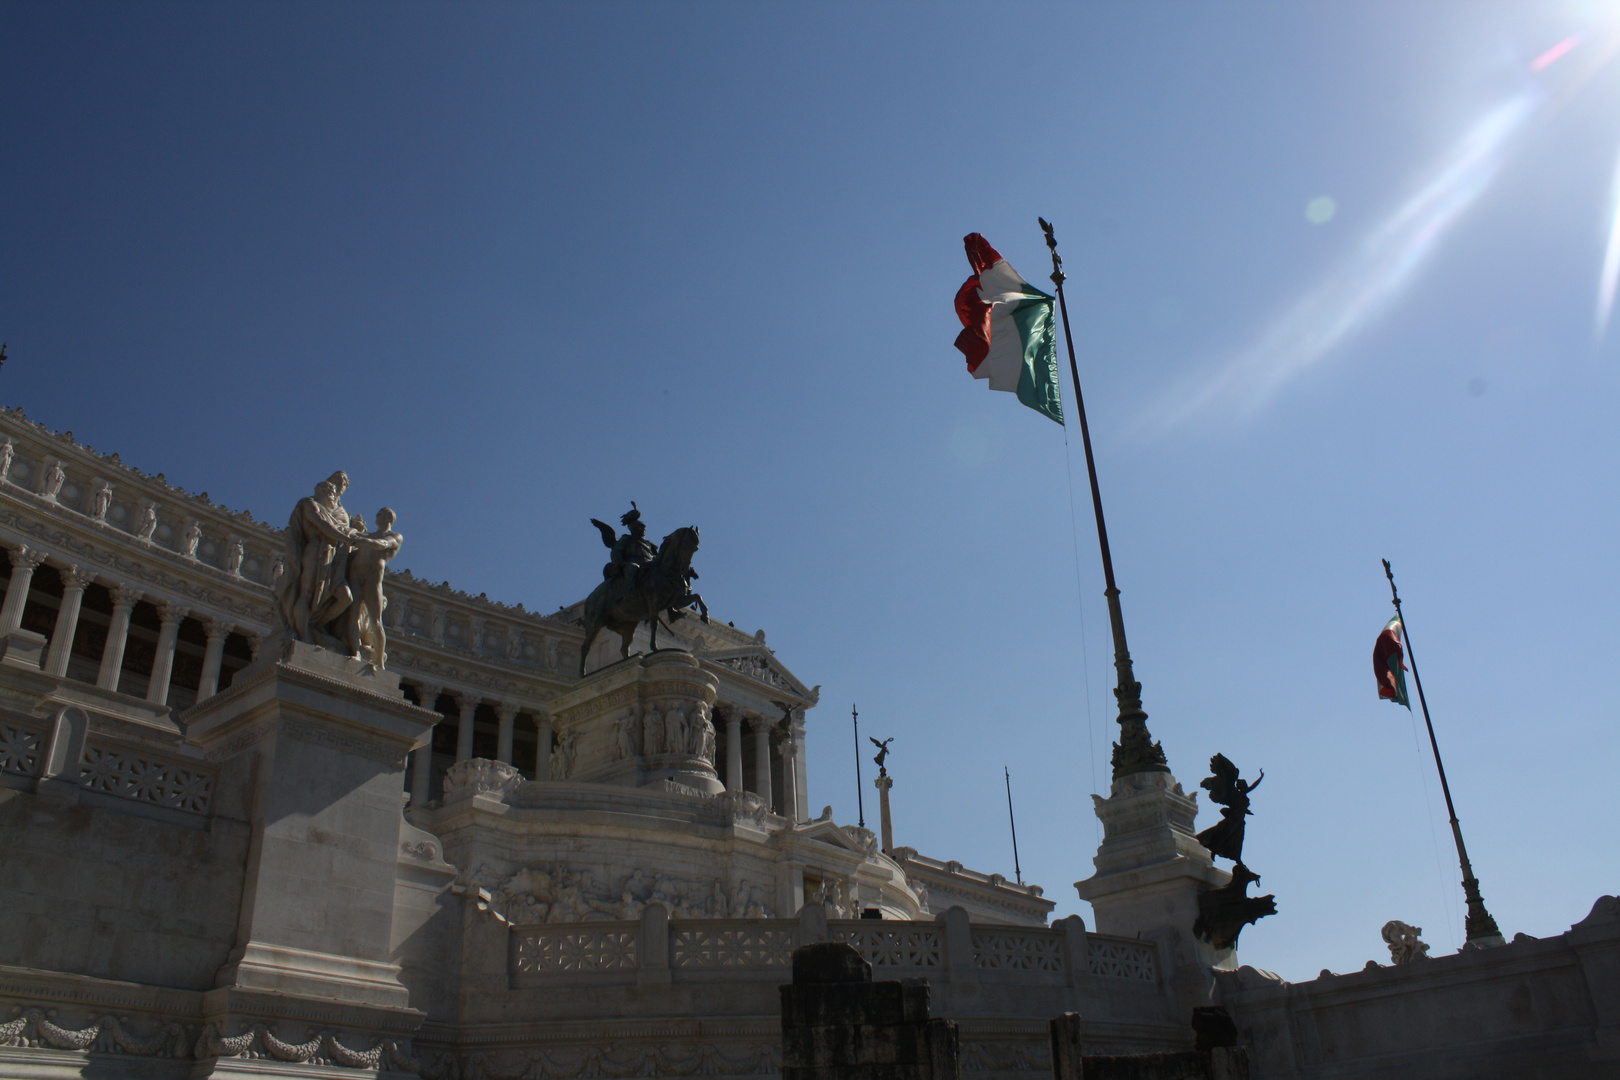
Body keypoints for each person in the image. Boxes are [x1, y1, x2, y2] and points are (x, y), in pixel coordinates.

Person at [278, 475, 360, 643]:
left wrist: (357, 535)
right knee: (306, 593)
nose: (334, 495)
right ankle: (302, 634)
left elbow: (344, 531)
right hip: (315, 552)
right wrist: (349, 537)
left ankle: (317, 625)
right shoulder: (309, 504)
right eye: (330, 492)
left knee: (346, 598)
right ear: (321, 491)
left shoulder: (340, 512)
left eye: (334, 491)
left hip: (335, 560)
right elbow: (323, 525)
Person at [347, 508, 403, 667]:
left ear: (389, 518)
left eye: (381, 514)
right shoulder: (367, 535)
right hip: (355, 573)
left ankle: (378, 660)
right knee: (354, 613)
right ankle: (355, 652)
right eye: (377, 513)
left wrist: (363, 539)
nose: (378, 516)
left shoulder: (394, 536)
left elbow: (384, 544)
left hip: (373, 576)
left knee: (375, 620)